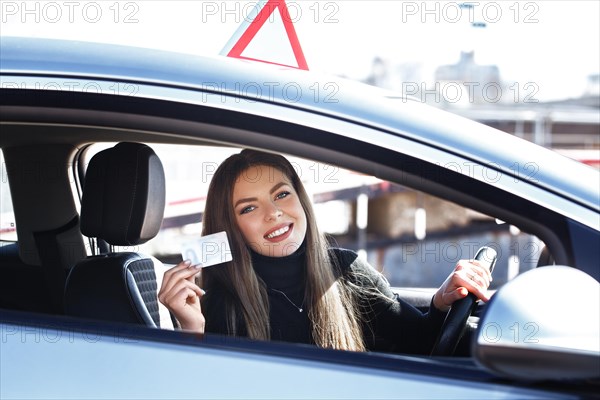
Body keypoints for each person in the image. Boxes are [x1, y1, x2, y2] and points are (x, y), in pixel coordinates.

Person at [158, 149, 491, 353]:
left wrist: (441, 301)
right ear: (231, 228)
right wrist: (192, 331)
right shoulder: (219, 301)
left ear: (301, 200)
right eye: (248, 209)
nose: (273, 213)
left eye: (281, 195)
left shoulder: (346, 271)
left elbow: (420, 344)